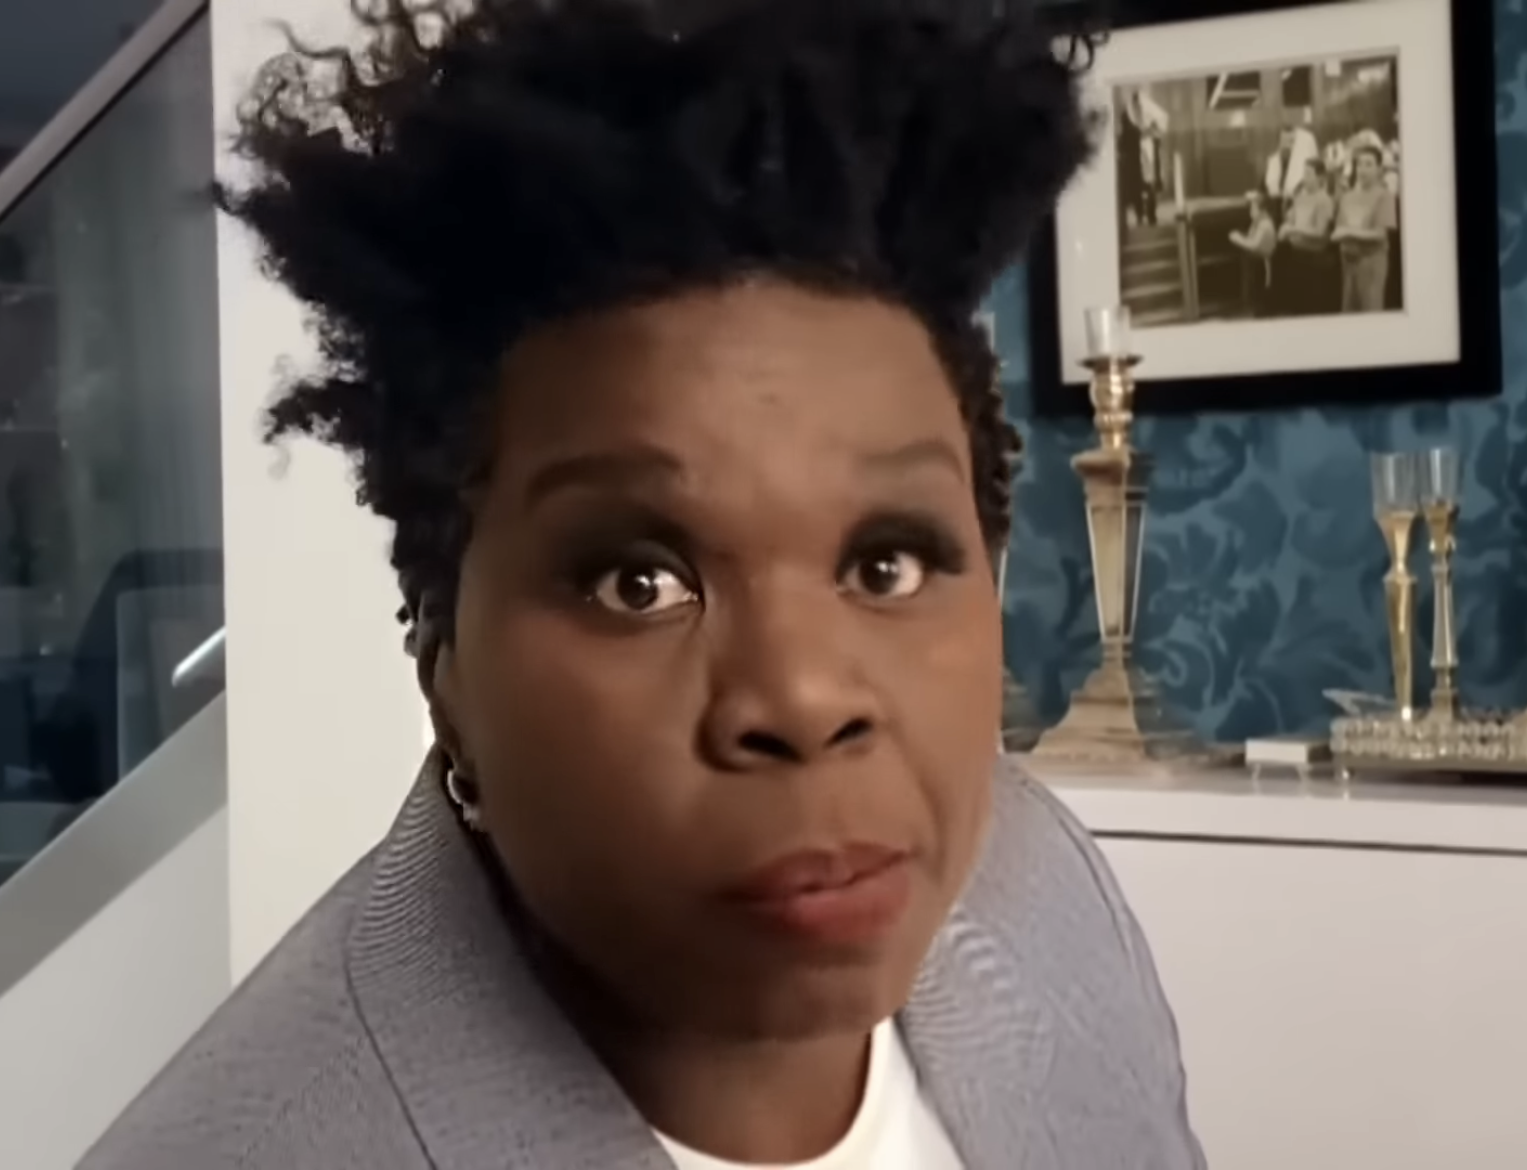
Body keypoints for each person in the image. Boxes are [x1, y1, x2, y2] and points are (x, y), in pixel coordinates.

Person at [82, 2, 1203, 1167]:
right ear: (445, 673)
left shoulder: (1048, 890)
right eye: (638, 583)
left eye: (887, 563)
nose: (805, 697)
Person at [1334, 144, 1399, 313]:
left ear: (1379, 169)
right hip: (1348, 264)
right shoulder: (1347, 197)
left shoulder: (1384, 196)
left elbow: (1380, 234)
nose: (1362, 169)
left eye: (1369, 164)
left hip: (1371, 264)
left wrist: (1348, 232)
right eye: (1359, 164)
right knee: (1348, 313)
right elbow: (1338, 230)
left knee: (1370, 312)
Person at [1277, 160, 1337, 316]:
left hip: (1315, 260)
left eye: (1309, 174)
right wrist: (1286, 225)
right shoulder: (1301, 196)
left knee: (1311, 308)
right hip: (1296, 255)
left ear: (1320, 178)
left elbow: (1320, 232)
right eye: (1304, 173)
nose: (1304, 178)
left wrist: (1293, 229)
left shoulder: (1324, 200)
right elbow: (1291, 220)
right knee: (1296, 307)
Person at [1229, 191, 1277, 317]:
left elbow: (1254, 245)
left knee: (1262, 293)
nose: (1250, 212)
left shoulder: (1265, 224)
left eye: (1253, 209)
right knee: (1254, 291)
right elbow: (1250, 238)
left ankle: (1263, 314)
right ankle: (1256, 310)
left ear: (1263, 210)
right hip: (1255, 261)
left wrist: (1238, 239)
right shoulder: (1257, 222)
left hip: (1262, 262)